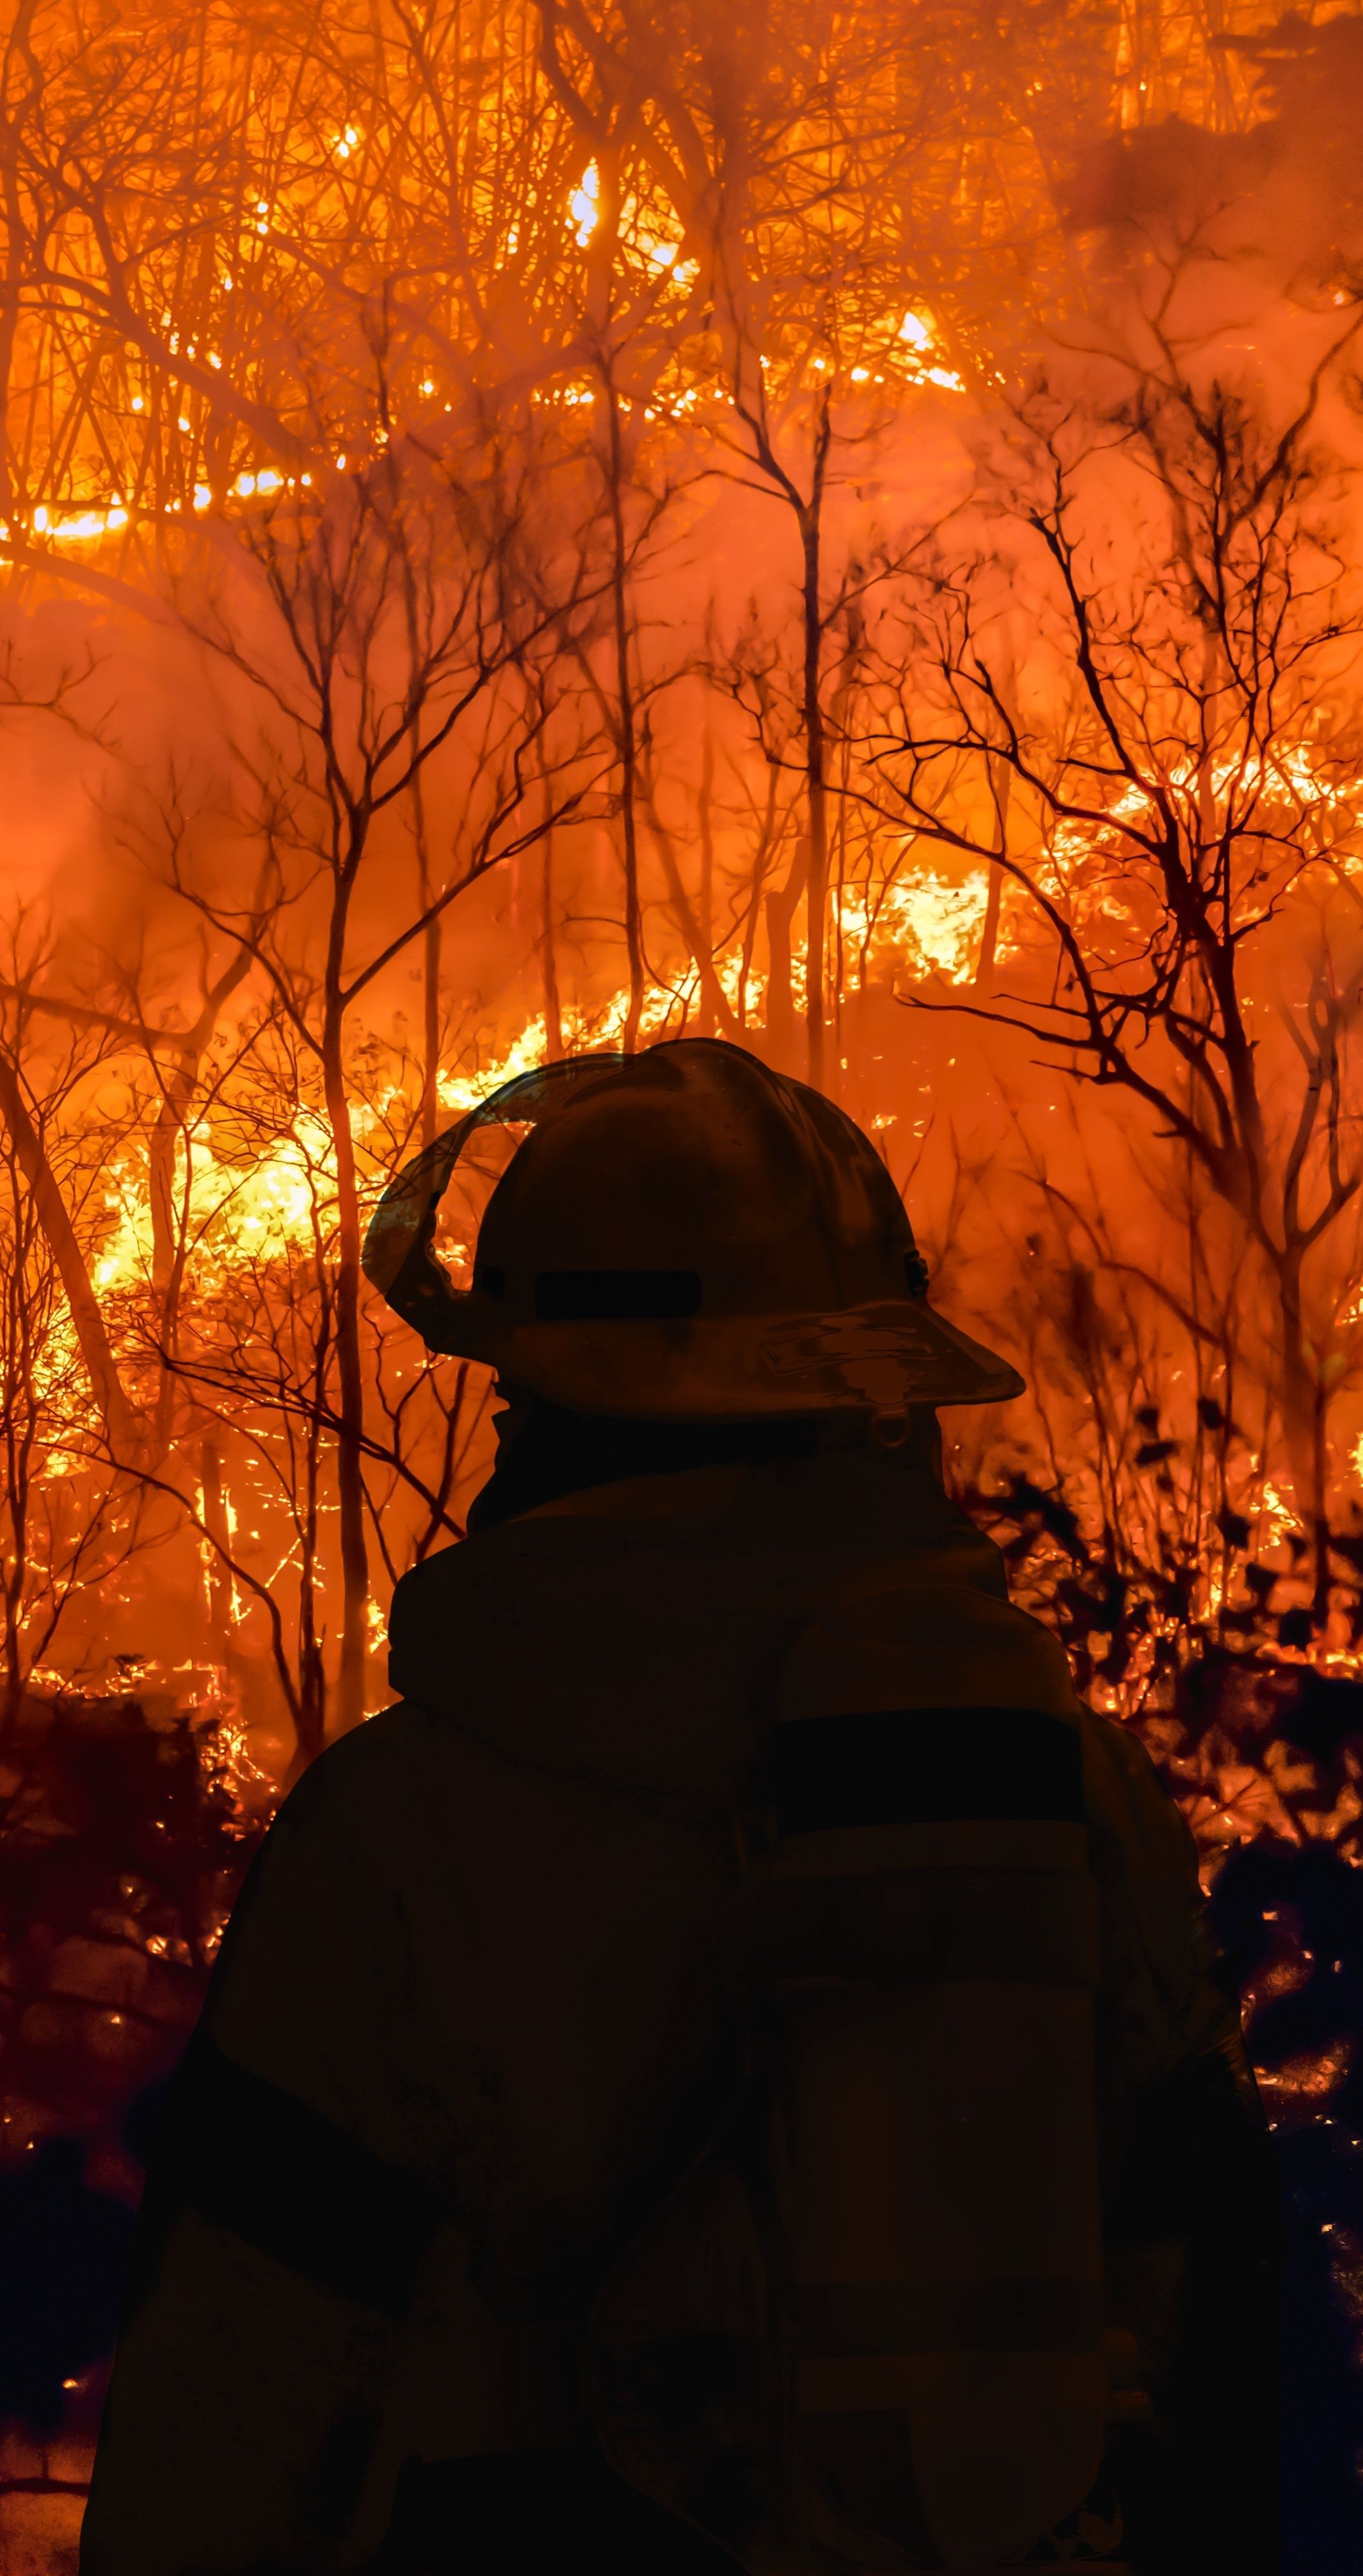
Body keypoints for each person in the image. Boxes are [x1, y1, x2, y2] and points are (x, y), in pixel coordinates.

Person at [80, 1038, 1279, 2576]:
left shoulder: (394, 1840)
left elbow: (229, 2404)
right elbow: (1222, 2343)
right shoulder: (1067, 1792)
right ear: (874, 1401)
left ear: (546, 1413)